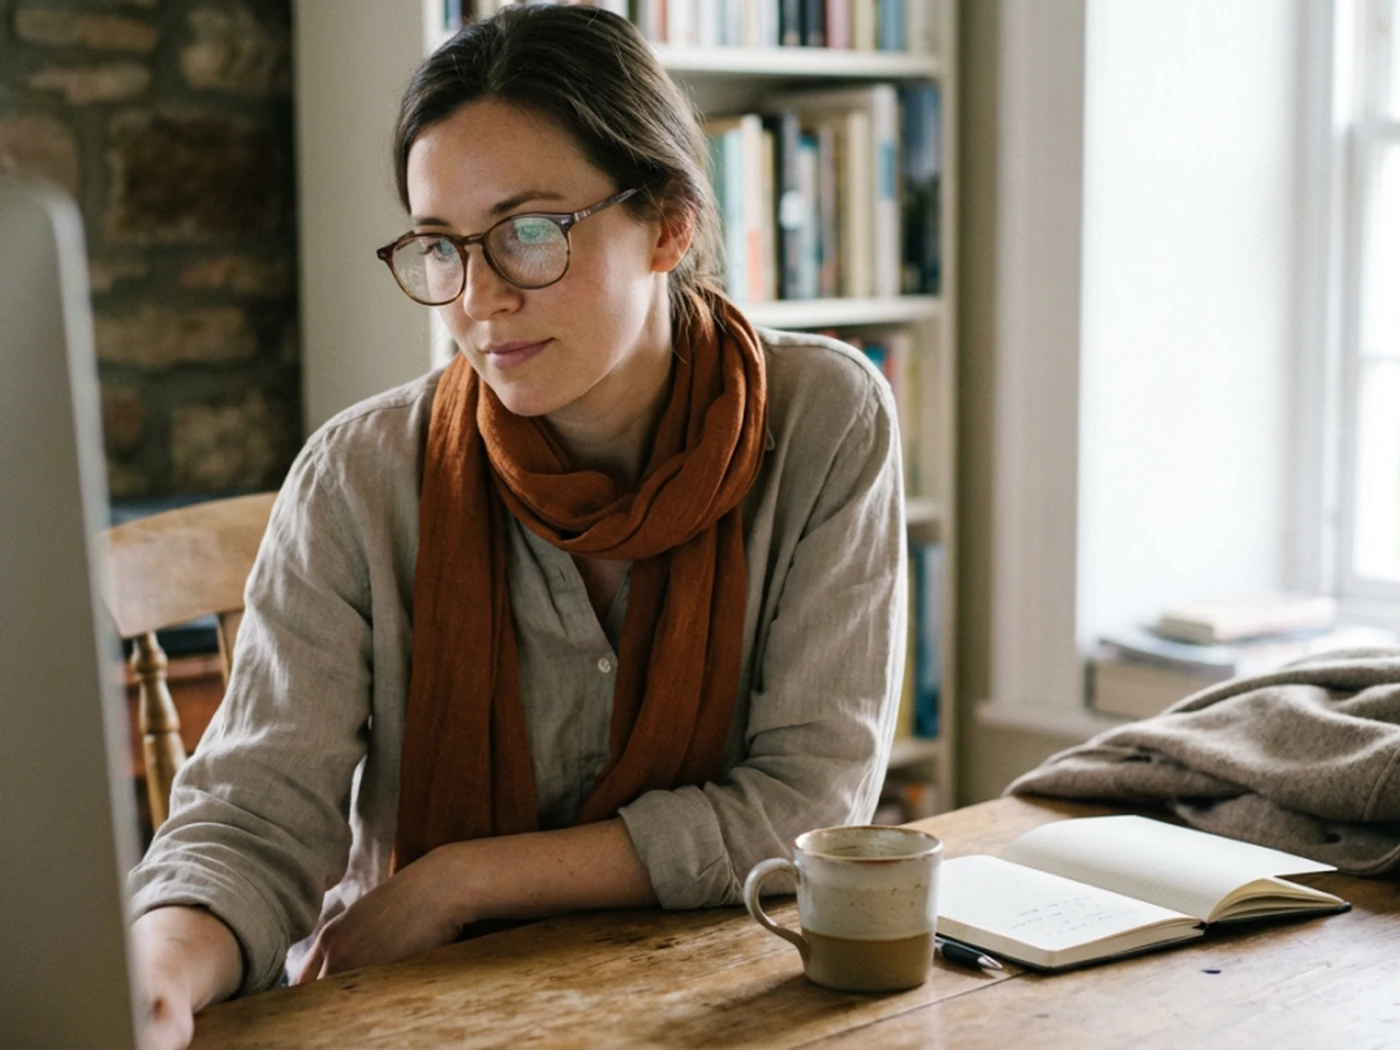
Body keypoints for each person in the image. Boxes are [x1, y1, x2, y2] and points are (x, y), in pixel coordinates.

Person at [128, 5, 906, 1048]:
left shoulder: (824, 418)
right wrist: (157, 977)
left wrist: (459, 881)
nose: (478, 300)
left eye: (528, 233)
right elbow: (252, 822)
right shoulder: (360, 478)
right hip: (431, 1010)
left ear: (667, 222)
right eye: (442, 247)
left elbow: (806, 808)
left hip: (722, 1003)